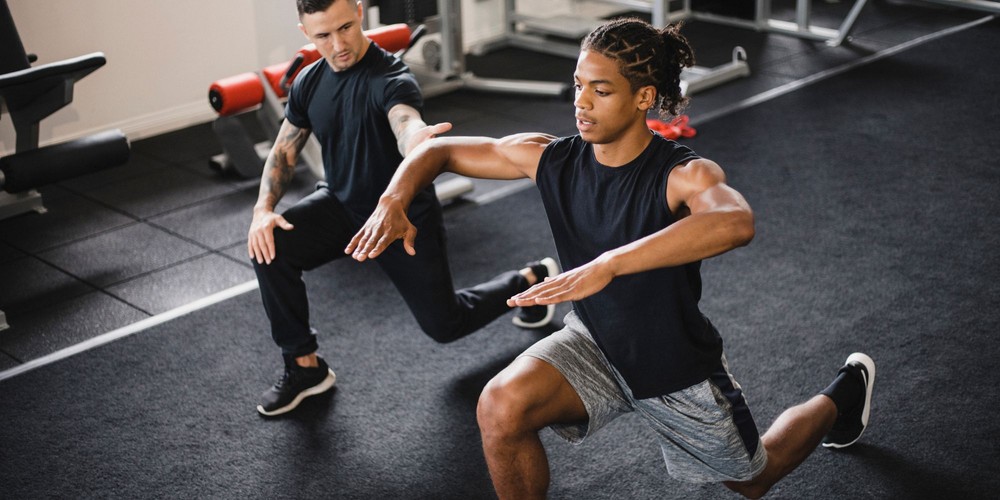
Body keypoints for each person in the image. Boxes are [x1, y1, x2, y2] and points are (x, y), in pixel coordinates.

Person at [346, 17, 876, 499]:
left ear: (644, 97)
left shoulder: (680, 173)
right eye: (579, 85)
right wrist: (395, 198)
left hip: (672, 364)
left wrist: (610, 263)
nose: (582, 102)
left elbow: (736, 222)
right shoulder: (551, 158)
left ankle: (843, 394)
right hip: (594, 341)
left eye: (601, 91)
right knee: (500, 406)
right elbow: (438, 151)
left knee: (753, 479)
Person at [247, 0, 559, 417]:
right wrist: (263, 209)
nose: (338, 43)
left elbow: (405, 121)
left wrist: (417, 141)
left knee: (445, 326)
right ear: (305, 32)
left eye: (345, 27)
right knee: (269, 245)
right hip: (339, 205)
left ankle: (528, 280)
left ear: (359, 12)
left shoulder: (390, 77)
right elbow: (285, 152)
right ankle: (305, 368)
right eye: (323, 35)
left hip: (400, 216)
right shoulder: (309, 81)